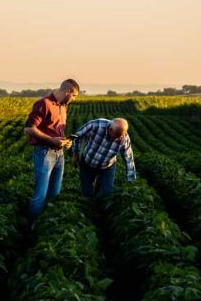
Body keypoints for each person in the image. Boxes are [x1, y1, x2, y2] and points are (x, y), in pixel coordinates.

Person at [24, 79, 80, 219]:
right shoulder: (44, 104)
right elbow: (29, 128)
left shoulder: (63, 107)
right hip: (44, 153)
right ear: (67, 91)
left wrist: (66, 142)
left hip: (59, 154)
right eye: (74, 96)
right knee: (40, 194)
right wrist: (51, 140)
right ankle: (33, 226)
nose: (74, 99)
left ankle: (47, 223)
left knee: (55, 192)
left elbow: (56, 133)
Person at [71, 118, 136, 200]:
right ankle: (90, 207)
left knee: (106, 192)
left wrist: (130, 178)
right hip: (88, 162)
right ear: (110, 129)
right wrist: (75, 153)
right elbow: (77, 136)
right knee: (87, 191)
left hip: (107, 166)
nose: (117, 139)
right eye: (116, 136)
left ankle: (100, 204)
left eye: (120, 136)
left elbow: (128, 157)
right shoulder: (96, 125)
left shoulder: (123, 138)